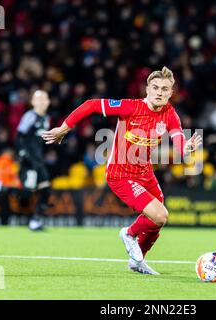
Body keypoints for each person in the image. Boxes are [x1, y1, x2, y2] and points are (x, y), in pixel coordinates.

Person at [42, 67, 202, 275]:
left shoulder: (169, 113)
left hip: (145, 173)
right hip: (121, 175)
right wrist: (64, 127)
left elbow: (178, 136)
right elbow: (91, 105)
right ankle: (128, 233)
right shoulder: (130, 107)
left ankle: (137, 262)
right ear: (147, 89)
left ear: (171, 93)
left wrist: (185, 148)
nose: (159, 92)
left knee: (156, 223)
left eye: (165, 89)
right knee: (161, 215)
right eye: (155, 87)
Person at [16, 90, 52, 231]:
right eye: (39, 99)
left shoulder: (46, 119)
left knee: (46, 189)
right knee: (27, 192)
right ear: (33, 102)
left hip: (38, 160)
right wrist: (22, 153)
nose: (43, 102)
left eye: (45, 99)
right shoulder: (30, 116)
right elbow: (19, 136)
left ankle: (36, 220)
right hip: (29, 160)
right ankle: (2, 186)